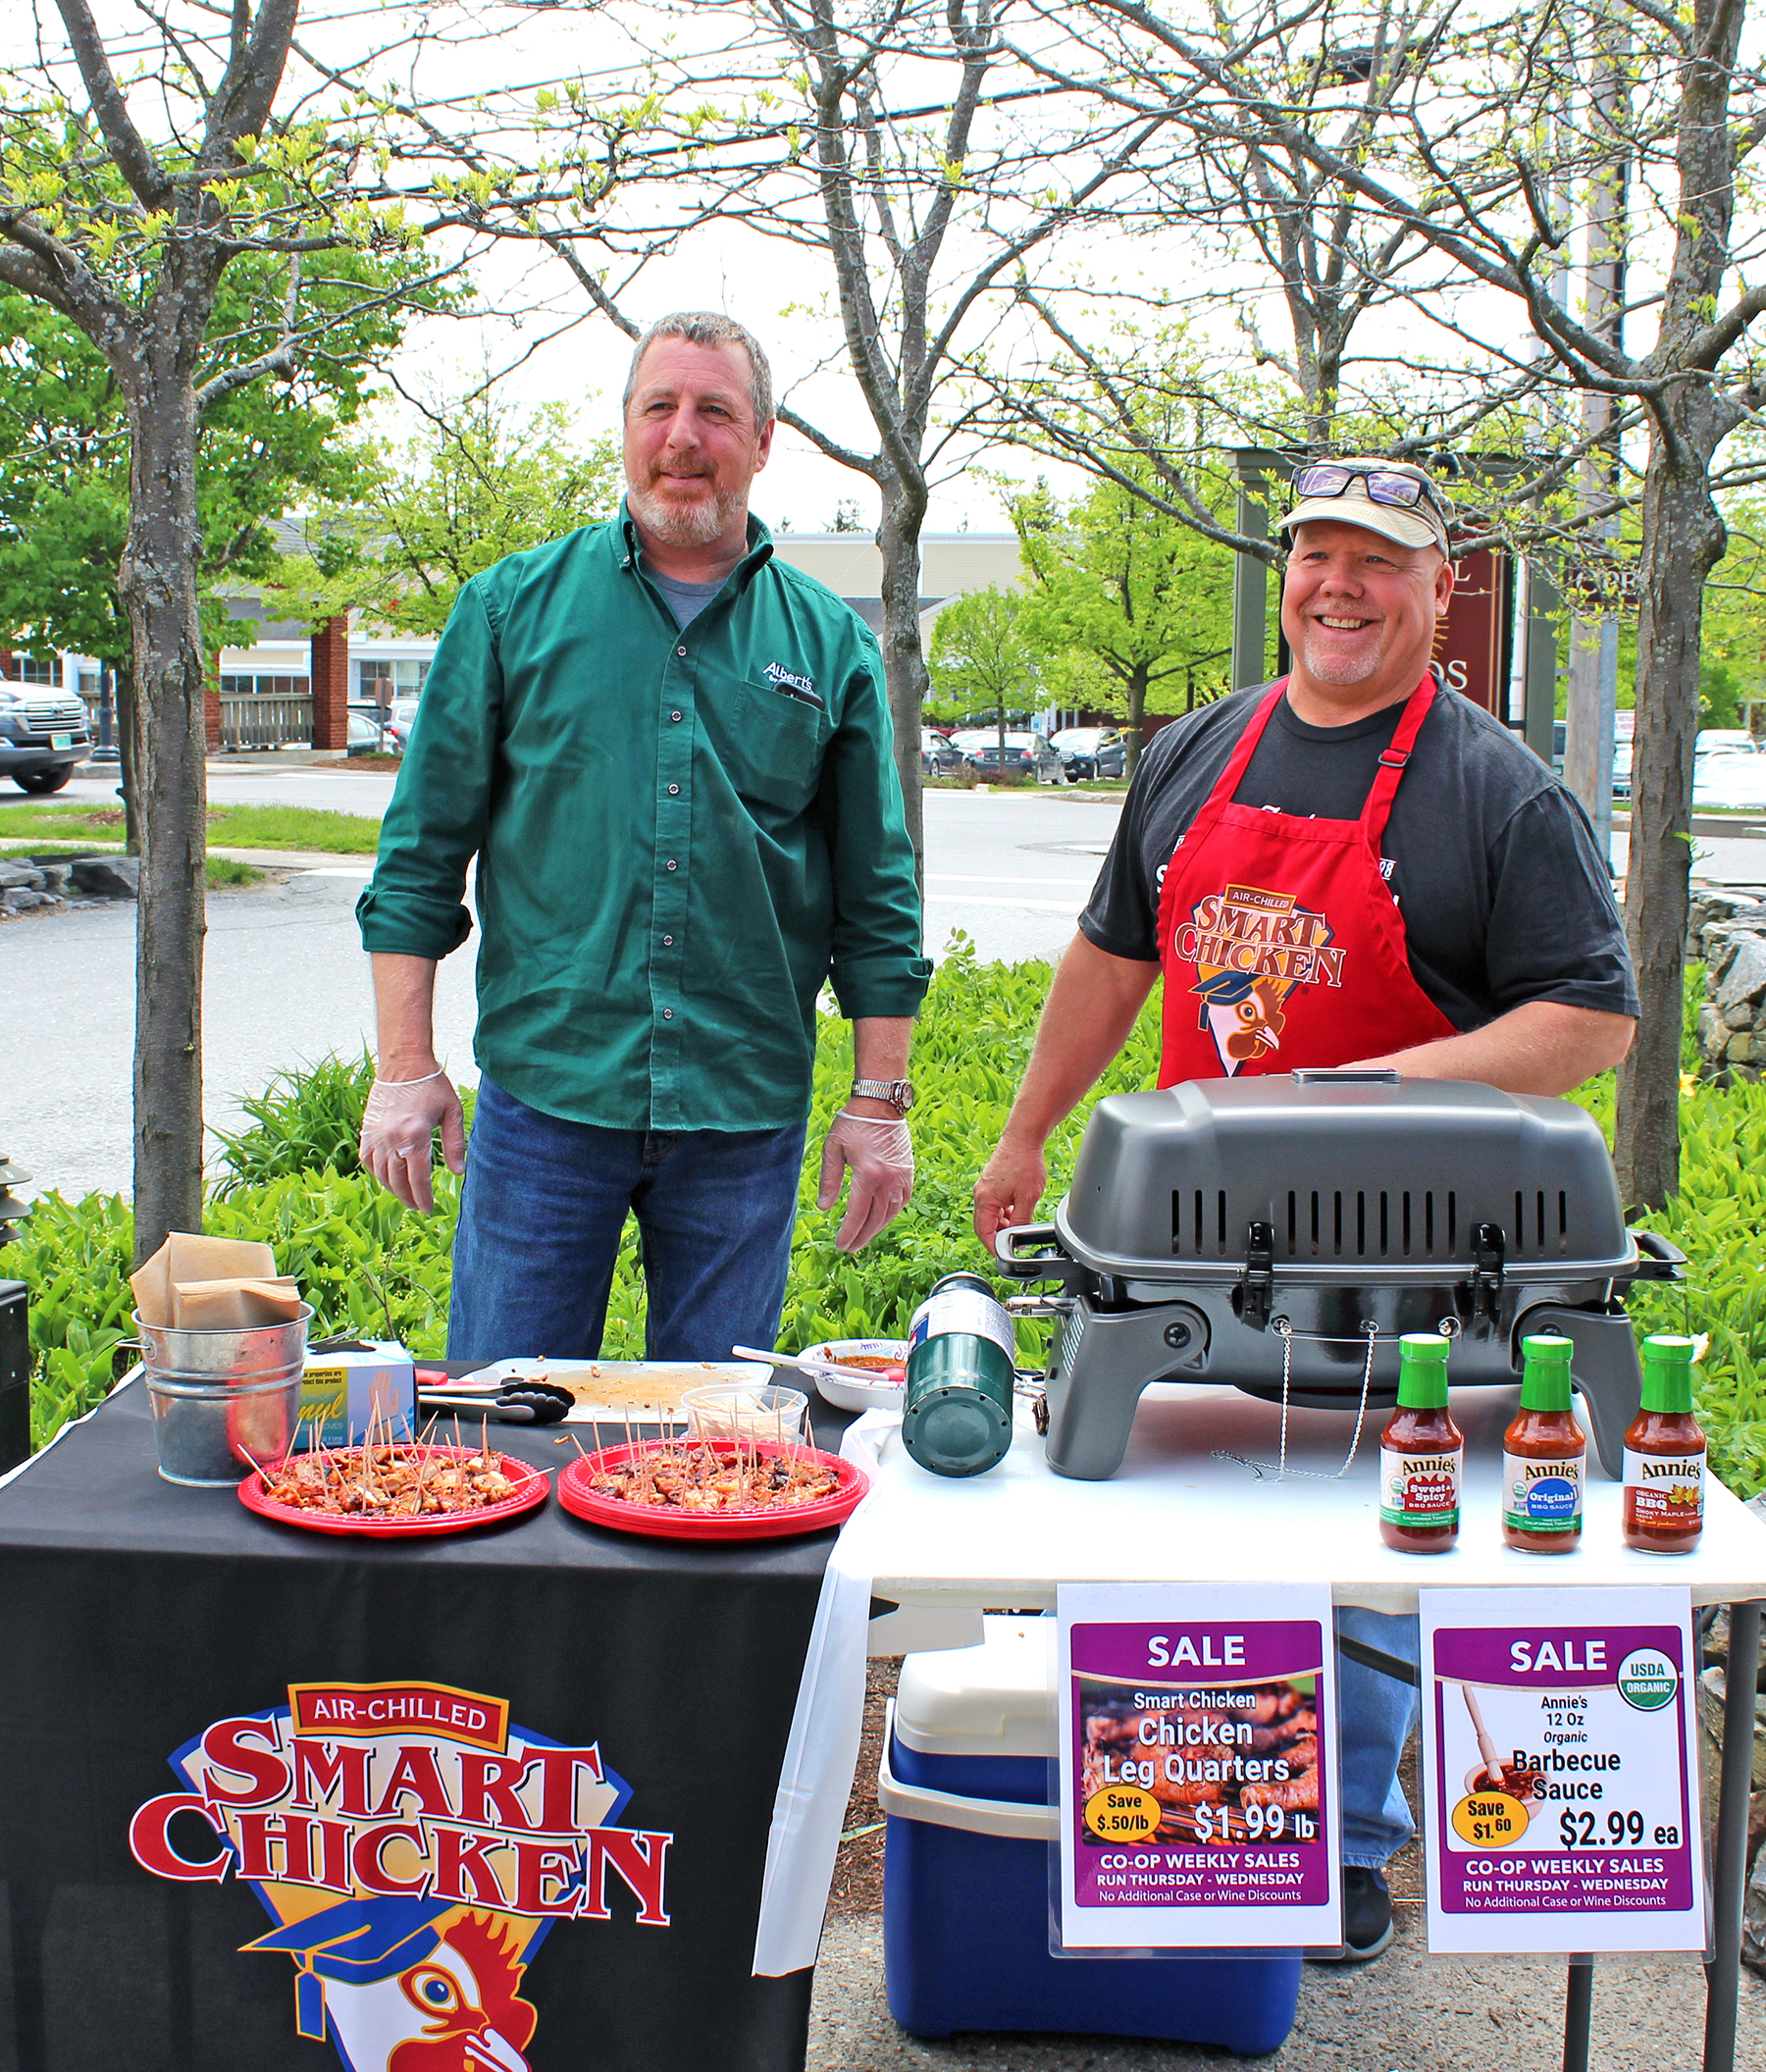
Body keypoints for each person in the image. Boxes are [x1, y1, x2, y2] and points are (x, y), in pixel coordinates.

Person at [974, 456, 1638, 1960]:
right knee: (1174, 1542)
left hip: (1411, 1271)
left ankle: (1343, 1844)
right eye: (1316, 556)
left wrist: (1374, 1092)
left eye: (1380, 561)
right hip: (1200, 1252)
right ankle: (1176, 1840)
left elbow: (1589, 1022)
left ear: (1440, 586)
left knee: (1372, 1542)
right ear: (1284, 577)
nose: (1340, 587)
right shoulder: (1201, 749)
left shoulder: (1497, 788)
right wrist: (1028, 1135)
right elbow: (1110, 958)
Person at [355, 311, 930, 1363]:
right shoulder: (507, 613)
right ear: (624, 428)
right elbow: (419, 862)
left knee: (715, 1450)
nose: (683, 436)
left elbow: (876, 900)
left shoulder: (831, 646)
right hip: (548, 1101)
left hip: (742, 1112)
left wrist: (877, 1101)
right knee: (499, 1423)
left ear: (761, 442)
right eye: (658, 406)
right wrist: (404, 1066)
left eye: (716, 410)